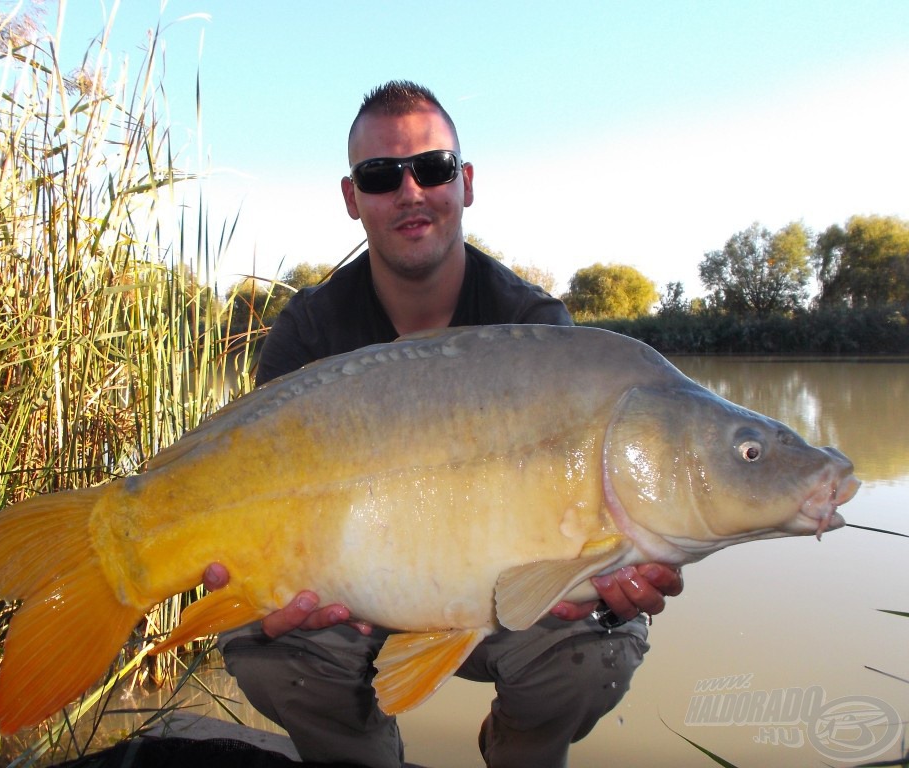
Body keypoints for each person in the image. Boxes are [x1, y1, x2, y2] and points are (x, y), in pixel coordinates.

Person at [202, 80, 683, 768]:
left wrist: (614, 569)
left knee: (595, 649)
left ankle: (518, 751)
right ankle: (362, 755)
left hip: (503, 600)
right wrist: (265, 586)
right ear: (351, 197)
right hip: (347, 594)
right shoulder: (309, 330)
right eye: (380, 176)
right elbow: (258, 493)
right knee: (271, 653)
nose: (410, 191)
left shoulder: (537, 330)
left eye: (432, 168)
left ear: (466, 182)